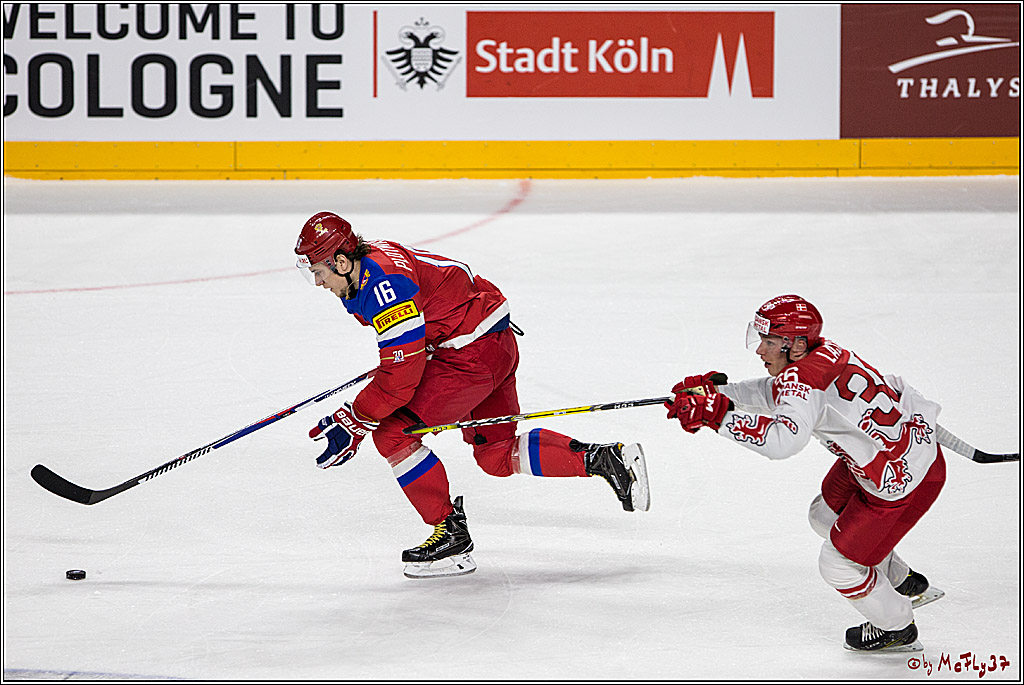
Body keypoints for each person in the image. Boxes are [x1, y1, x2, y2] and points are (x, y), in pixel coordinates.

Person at [294, 212, 650, 579]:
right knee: (496, 455)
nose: (319, 283)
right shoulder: (370, 262)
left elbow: (401, 379)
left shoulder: (383, 286)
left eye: (318, 272)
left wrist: (357, 417)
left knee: (393, 433)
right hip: (490, 341)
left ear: (340, 261)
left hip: (471, 357)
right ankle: (607, 461)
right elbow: (444, 289)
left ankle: (450, 536)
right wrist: (418, 347)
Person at [664, 294, 945, 652]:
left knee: (837, 565)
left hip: (897, 481)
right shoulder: (822, 353)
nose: (760, 351)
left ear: (795, 344)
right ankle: (903, 580)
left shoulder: (802, 381)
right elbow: (778, 392)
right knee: (823, 514)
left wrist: (718, 415)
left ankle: (897, 626)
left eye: (768, 342)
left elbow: (783, 442)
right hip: (910, 457)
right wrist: (721, 393)